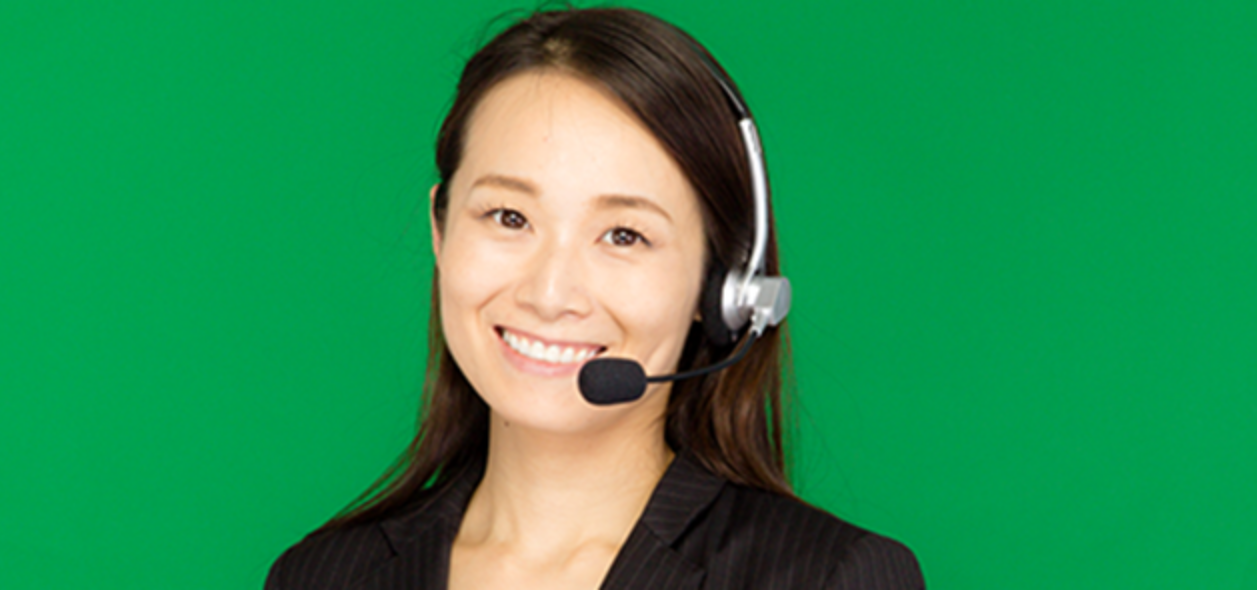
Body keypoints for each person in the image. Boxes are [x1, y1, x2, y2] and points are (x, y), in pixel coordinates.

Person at [266, 6, 924, 589]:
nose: (550, 294)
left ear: (721, 285)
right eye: (508, 217)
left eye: (623, 235)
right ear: (442, 231)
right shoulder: (321, 577)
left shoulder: (830, 578)